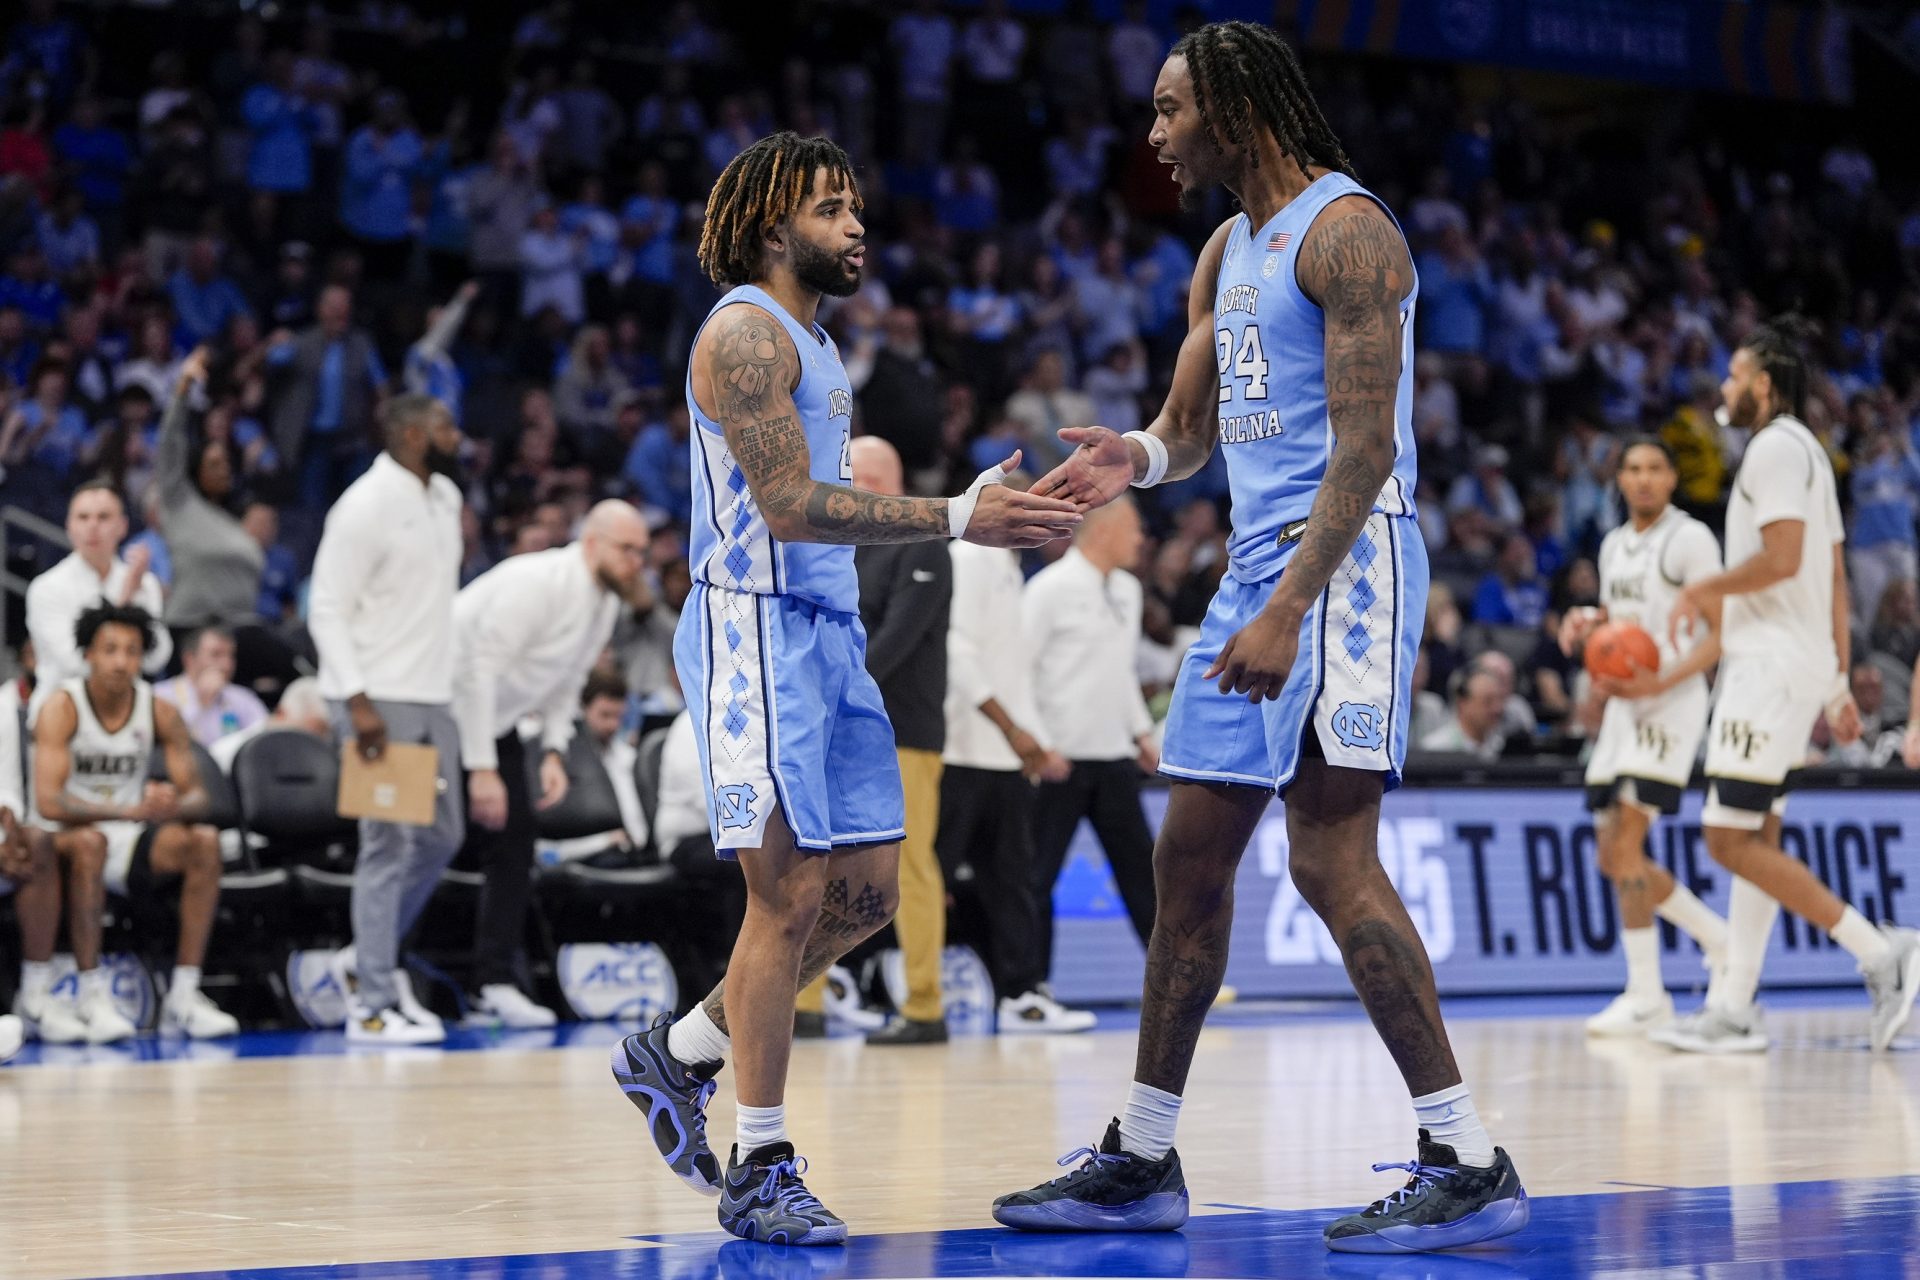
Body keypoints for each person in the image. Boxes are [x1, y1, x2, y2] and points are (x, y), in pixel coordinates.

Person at [993, 23, 1527, 1252]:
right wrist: (1131, 457)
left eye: (1172, 109)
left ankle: (1466, 1152)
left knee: (1330, 857)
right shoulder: (1226, 250)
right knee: (1188, 860)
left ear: (1235, 106)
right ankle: (1141, 1152)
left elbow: (1370, 446)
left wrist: (1291, 605)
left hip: (1344, 571)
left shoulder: (1351, 231)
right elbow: (1190, 429)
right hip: (1254, 573)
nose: (1156, 134)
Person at [607, 131, 1079, 1247]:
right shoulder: (743, 334)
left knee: (865, 892)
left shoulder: (819, 344)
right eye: (830, 208)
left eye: (857, 206)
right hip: (757, 628)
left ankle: (677, 1054)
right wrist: (958, 517)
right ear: (775, 227)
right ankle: (761, 1165)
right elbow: (783, 505)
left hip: (829, 629)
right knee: (786, 896)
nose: (857, 224)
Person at [1658, 320, 1919, 1055]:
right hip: (1797, 662)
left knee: (1724, 837)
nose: (1725, 388)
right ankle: (1734, 1004)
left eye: (1735, 375)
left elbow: (1783, 559)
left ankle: (1879, 950)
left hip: (1766, 666)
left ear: (1764, 385)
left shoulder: (1773, 448)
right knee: (1757, 833)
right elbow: (1831, 577)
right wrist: (1836, 680)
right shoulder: (1810, 453)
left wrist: (1703, 589)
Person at [444, 500, 650, 1028]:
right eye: (626, 550)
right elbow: (478, 670)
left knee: (516, 843)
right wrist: (481, 767)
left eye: (642, 552)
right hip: (441, 711)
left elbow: (567, 682)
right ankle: (380, 970)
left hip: (497, 721)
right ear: (591, 543)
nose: (637, 562)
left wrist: (555, 751)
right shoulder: (535, 583)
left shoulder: (604, 602)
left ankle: (492, 983)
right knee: (428, 843)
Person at [307, 394, 466, 1046]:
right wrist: (355, 698)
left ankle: (363, 958)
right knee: (389, 844)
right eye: (442, 426)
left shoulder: (445, 498)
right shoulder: (364, 504)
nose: (454, 435)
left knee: (442, 837)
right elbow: (325, 606)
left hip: (435, 694)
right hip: (379, 697)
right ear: (408, 434)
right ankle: (372, 1002)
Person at [1559, 440, 1727, 1035]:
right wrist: (1588, 624)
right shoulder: (1612, 544)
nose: (1645, 479)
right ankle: (1717, 940)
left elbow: (1717, 634)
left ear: (1674, 478)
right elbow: (1625, 628)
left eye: (1656, 468)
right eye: (1633, 469)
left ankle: (1647, 992)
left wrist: (1662, 678)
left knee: (1626, 844)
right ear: (1620, 479)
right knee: (1611, 853)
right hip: (1628, 706)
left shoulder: (1691, 540)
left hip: (1674, 703)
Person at [33, 603, 239, 1039]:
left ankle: (184, 996)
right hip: (63, 838)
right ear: (88, 654)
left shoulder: (159, 710)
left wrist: (171, 807)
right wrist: (124, 809)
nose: (121, 661)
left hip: (126, 837)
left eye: (131, 651)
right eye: (110, 650)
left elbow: (200, 796)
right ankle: (91, 996)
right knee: (91, 843)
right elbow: (48, 802)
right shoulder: (62, 707)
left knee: (203, 840)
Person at [941, 487, 1088, 1035]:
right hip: (962, 750)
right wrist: (1016, 732)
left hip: (1003, 758)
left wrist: (1037, 740)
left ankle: (1020, 994)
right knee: (930, 879)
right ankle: (874, 979)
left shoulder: (1006, 566)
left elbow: (1013, 669)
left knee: (1012, 883)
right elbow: (957, 653)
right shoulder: (968, 557)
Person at [1024, 496, 1160, 982]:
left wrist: (1142, 732)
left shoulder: (1127, 590)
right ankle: (1034, 987)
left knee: (1146, 878)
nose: (1141, 540)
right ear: (1103, 531)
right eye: (1134, 530)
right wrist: (1038, 745)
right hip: (1060, 760)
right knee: (1037, 879)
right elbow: (1021, 669)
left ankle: (1176, 983)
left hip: (1113, 757)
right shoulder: (1048, 590)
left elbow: (1119, 671)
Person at [847, 436, 952, 1047]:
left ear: (888, 480)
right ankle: (803, 999)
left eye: (859, 478)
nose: (848, 488)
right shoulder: (840, 547)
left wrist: (836, 688)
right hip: (848, 728)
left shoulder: (922, 541)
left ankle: (924, 1004)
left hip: (906, 729)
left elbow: (894, 641)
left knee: (911, 866)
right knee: (820, 860)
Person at [26, 481, 172, 722]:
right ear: (69, 526)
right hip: (61, 716)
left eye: (103, 517)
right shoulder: (46, 588)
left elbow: (156, 657)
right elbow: (77, 663)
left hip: (126, 717)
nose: (92, 526)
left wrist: (136, 595)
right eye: (83, 517)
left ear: (122, 526)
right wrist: (126, 601)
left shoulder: (143, 583)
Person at [154, 626, 267, 749]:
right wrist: (201, 704)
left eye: (231, 655)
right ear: (189, 659)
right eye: (216, 655)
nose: (226, 665)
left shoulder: (242, 697)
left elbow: (263, 735)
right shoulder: (160, 695)